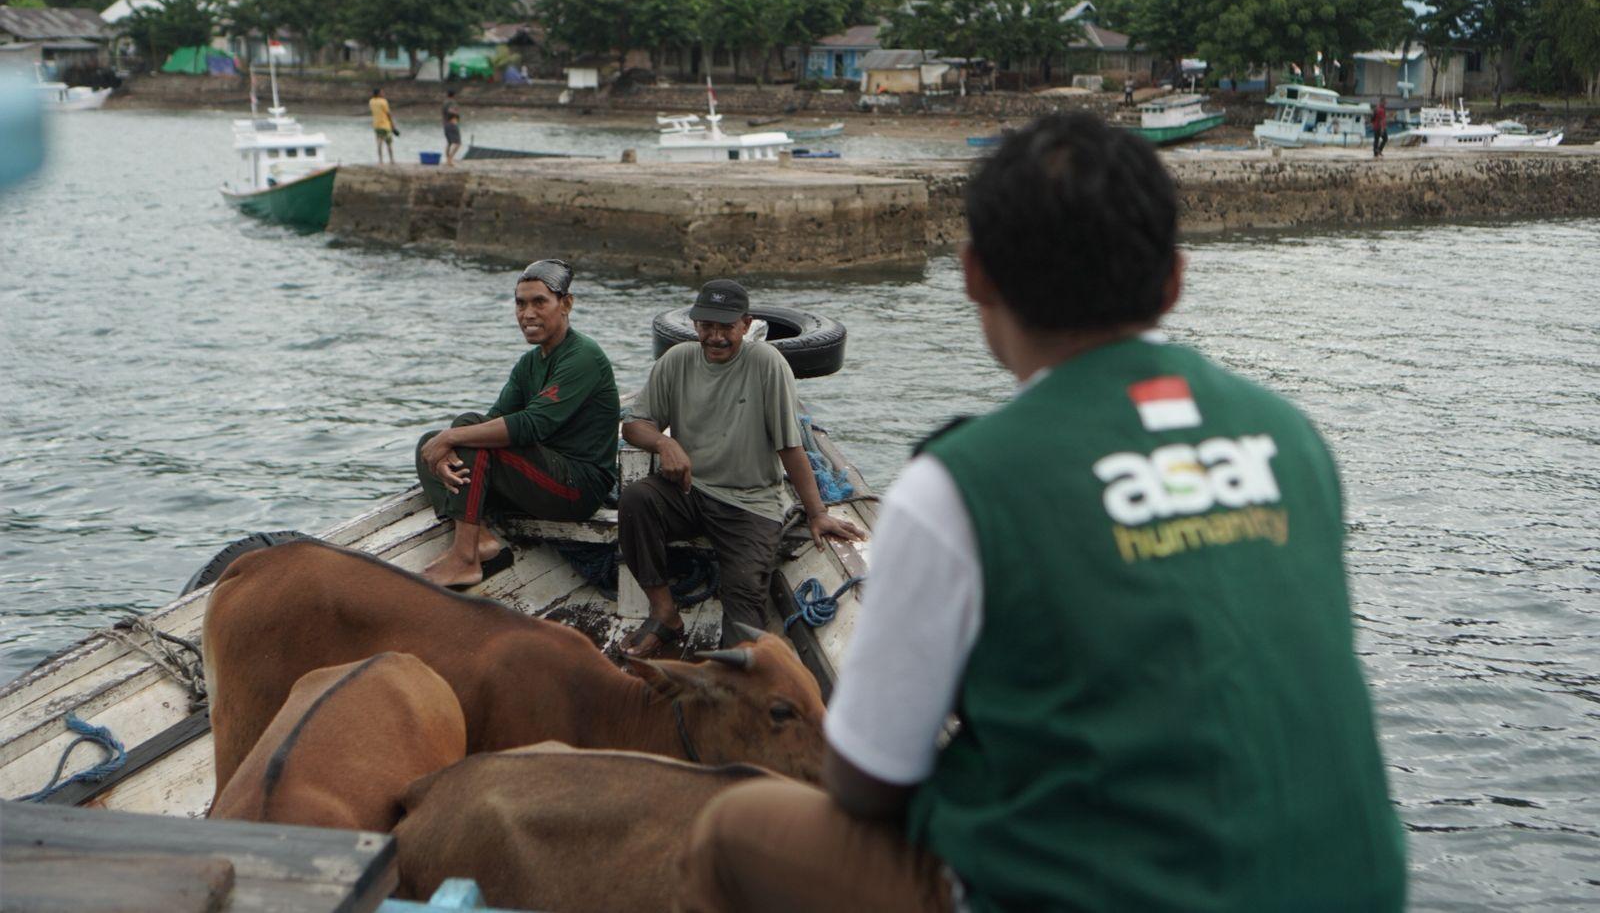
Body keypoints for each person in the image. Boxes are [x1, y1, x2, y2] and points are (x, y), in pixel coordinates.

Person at [677, 113, 1407, 912]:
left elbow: (866, 779)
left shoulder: (963, 484)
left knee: (729, 829)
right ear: (1174, 280)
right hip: (1357, 888)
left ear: (975, 277)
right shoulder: (1289, 437)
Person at [618, 279, 864, 654]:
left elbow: (790, 447)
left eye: (726, 327)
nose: (715, 337)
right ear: (695, 324)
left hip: (750, 505)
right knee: (637, 500)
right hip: (689, 491)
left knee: (745, 615)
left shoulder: (767, 363)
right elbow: (634, 425)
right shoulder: (677, 360)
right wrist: (665, 442)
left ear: (746, 325)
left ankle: (735, 671)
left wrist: (817, 513)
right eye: (707, 326)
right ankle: (664, 612)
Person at [416, 259, 620, 588]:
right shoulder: (529, 363)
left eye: (539, 302)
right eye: (520, 304)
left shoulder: (583, 356)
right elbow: (495, 419)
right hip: (538, 476)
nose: (527, 314)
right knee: (429, 444)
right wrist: (446, 444)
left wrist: (453, 436)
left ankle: (465, 558)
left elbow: (534, 424)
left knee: (459, 432)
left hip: (578, 487)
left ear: (566, 304)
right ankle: (480, 539)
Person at [370, 87, 398, 164]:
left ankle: (380, 160)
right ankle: (391, 160)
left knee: (379, 143)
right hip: (385, 125)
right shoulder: (383, 101)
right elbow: (388, 114)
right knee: (389, 143)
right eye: (382, 92)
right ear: (378, 93)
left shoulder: (371, 101)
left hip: (376, 125)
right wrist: (393, 125)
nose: (383, 93)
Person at [442, 89, 462, 167]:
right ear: (454, 95)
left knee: (449, 143)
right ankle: (450, 159)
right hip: (452, 123)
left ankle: (448, 160)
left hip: (445, 124)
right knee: (458, 143)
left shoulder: (445, 102)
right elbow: (450, 110)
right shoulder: (451, 102)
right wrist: (457, 112)